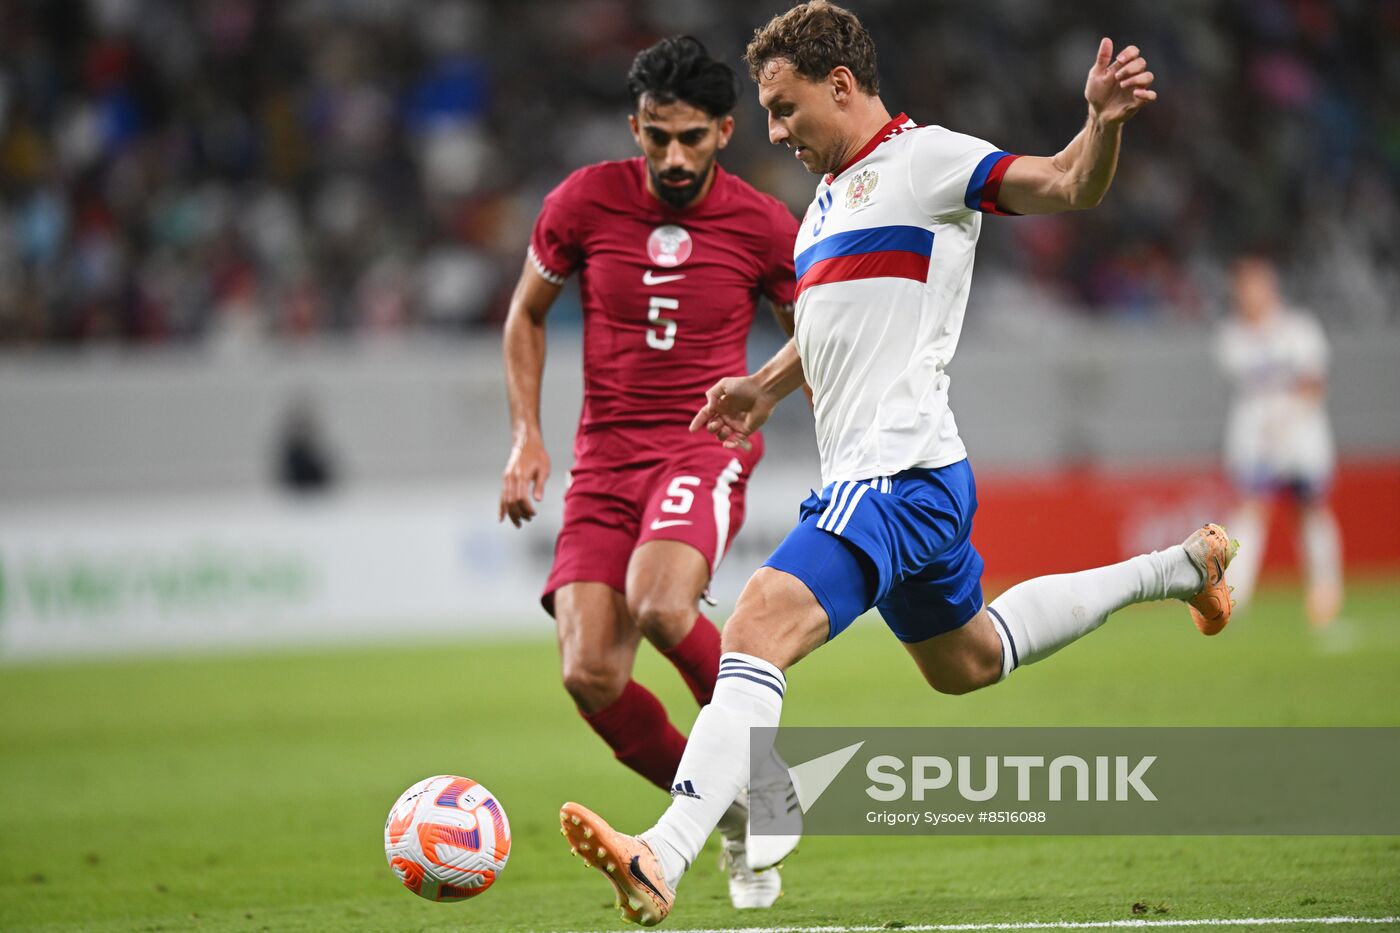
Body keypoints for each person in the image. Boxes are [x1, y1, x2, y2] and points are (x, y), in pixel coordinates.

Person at [557, 3, 1238, 926]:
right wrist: (763, 385)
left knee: (754, 623)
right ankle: (1178, 567)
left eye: (786, 107)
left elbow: (1070, 185)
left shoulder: (928, 162)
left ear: (841, 85)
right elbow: (834, 327)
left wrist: (1099, 126)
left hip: (897, 472)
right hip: (912, 478)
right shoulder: (828, 206)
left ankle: (664, 851)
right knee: (966, 660)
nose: (775, 131)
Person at [497, 36, 801, 909]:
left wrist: (764, 394)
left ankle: (759, 780)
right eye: (657, 136)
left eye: (693, 139)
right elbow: (526, 315)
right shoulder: (582, 203)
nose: (673, 156)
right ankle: (737, 810)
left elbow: (819, 334)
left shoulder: (763, 224)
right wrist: (527, 437)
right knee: (589, 673)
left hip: (705, 441)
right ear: (635, 125)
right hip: (603, 460)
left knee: (664, 603)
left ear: (726, 132)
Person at [1218, 253, 1342, 627]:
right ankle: (1235, 597)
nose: (1248, 293)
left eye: (1255, 284)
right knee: (1253, 506)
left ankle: (1325, 592)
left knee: (1310, 507)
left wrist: (1289, 418)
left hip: (1301, 433)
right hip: (1257, 436)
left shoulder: (1299, 328)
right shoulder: (1231, 337)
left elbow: (1313, 383)